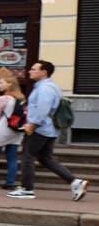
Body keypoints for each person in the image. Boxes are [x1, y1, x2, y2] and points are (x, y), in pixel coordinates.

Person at [10, 60, 89, 202]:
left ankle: (27, 189)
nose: (30, 71)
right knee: (46, 158)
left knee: (27, 156)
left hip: (40, 129)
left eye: (34, 69)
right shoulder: (53, 86)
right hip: (50, 129)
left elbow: (43, 109)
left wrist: (32, 125)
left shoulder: (44, 88)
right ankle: (75, 182)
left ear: (44, 72)